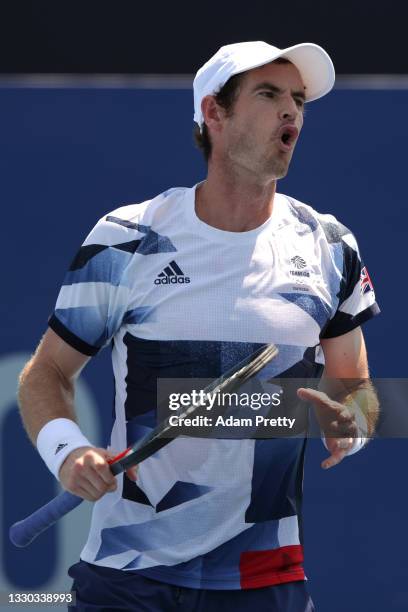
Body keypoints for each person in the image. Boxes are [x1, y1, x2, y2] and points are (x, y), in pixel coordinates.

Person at [18, 41, 380, 611]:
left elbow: (354, 383)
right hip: (126, 580)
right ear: (214, 113)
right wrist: (68, 452)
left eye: (299, 100)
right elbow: (45, 375)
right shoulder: (125, 239)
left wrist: (352, 423)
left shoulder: (330, 246)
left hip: (266, 581)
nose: (292, 112)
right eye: (269, 94)